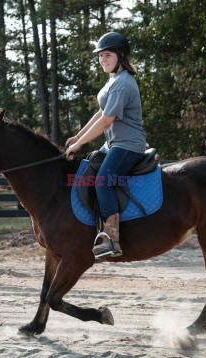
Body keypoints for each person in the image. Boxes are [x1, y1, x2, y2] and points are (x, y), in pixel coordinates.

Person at [65, 32, 147, 259]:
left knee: (103, 182)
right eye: (101, 56)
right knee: (87, 170)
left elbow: (106, 121)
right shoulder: (113, 80)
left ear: (121, 56)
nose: (103, 59)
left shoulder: (123, 83)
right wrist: (77, 136)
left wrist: (80, 143)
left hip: (128, 145)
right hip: (113, 145)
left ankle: (111, 239)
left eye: (107, 55)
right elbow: (101, 112)